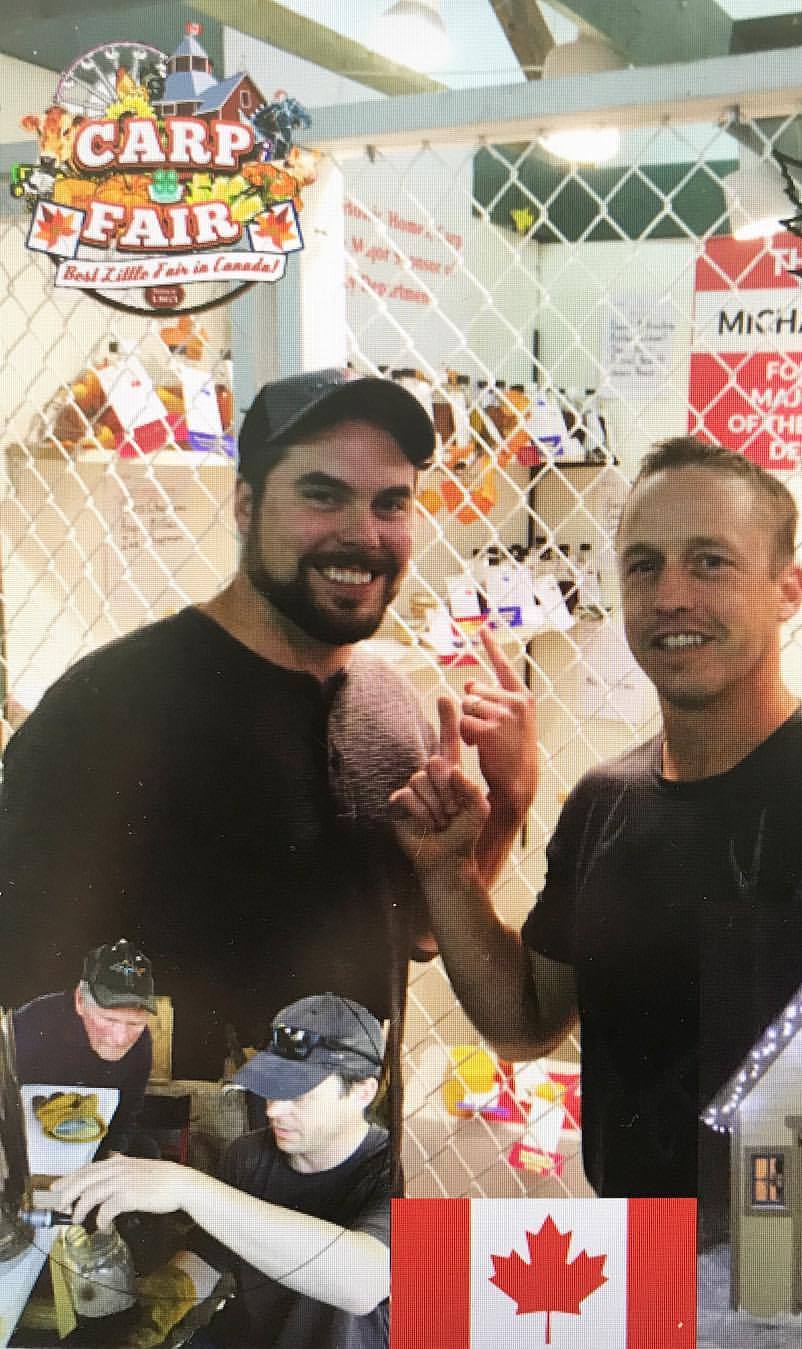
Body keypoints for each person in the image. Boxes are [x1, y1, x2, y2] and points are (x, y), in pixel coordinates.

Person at [390, 436, 802, 1198]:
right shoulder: (605, 803)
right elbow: (527, 1018)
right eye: (645, 564)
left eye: (710, 560)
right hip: (637, 1259)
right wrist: (448, 872)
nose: (672, 593)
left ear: (787, 588)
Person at [0, 369, 538, 1102]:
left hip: (352, 1201)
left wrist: (507, 802)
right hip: (157, 1202)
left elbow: (416, 935)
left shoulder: (395, 710)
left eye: (391, 503)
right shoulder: (107, 711)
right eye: (323, 495)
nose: (363, 534)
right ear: (246, 505)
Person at [53, 993, 393, 1349]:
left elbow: (365, 1283)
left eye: (299, 1094)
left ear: (362, 1092)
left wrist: (187, 1186)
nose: (274, 1110)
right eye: (272, 1087)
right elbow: (208, 1255)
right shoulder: (248, 1155)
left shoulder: (412, 1178)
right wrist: (161, 1303)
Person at [14, 937, 155, 1157]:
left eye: (134, 1023)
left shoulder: (142, 1041)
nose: (120, 1039)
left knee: (147, 1151)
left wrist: (112, 1158)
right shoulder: (28, 1025)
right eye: (109, 1020)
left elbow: (127, 1116)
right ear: (80, 1000)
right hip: (26, 1142)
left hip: (95, 1140)